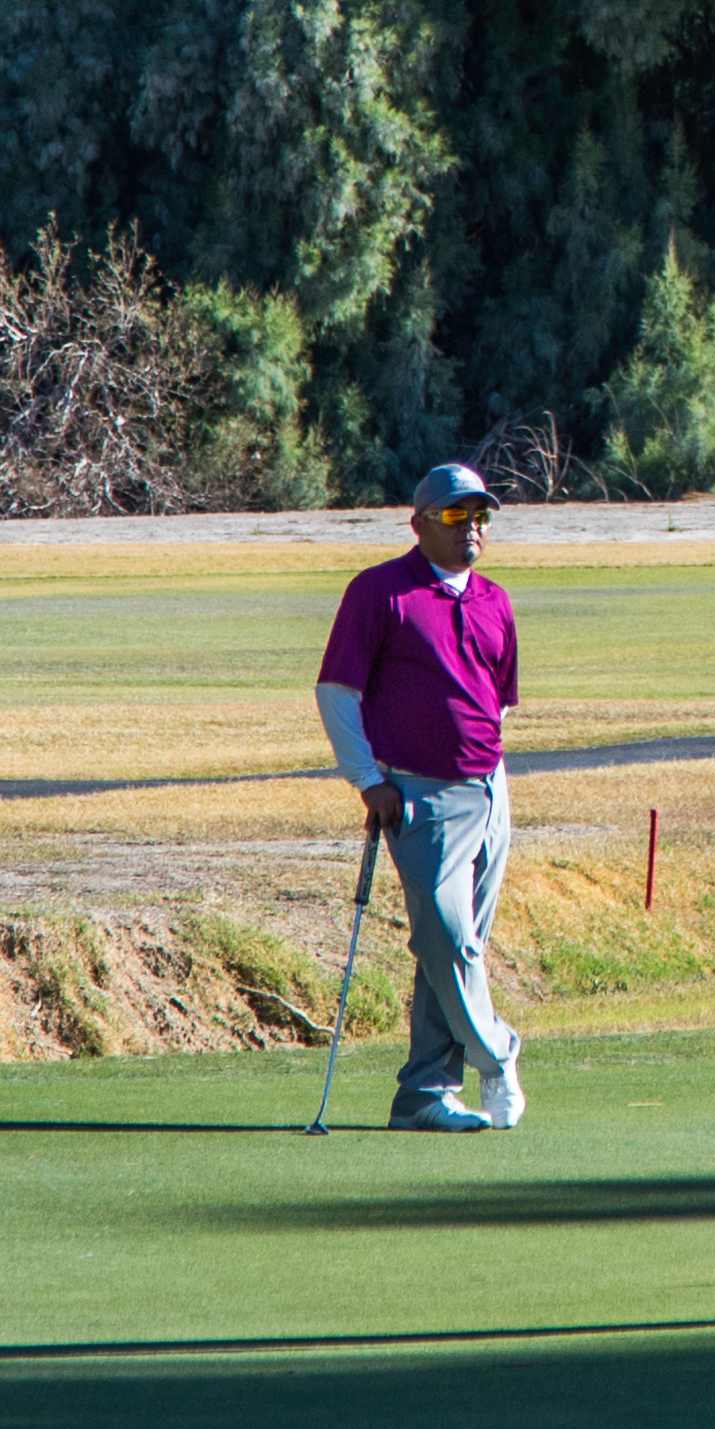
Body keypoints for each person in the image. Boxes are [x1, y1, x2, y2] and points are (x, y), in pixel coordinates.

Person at [313, 464, 524, 1132]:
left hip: (489, 789)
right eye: (457, 517)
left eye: (481, 517)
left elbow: (499, 698)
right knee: (446, 938)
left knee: (458, 951)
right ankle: (497, 1053)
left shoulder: (494, 600)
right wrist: (368, 780)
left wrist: (486, 768)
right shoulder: (380, 592)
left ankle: (425, 1093)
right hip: (419, 797)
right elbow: (337, 693)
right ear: (420, 524)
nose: (473, 530)